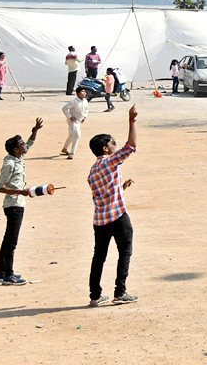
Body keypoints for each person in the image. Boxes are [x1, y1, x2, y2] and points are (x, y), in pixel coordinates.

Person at [87, 105, 141, 306]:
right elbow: (131, 146)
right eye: (112, 144)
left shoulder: (93, 171)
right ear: (105, 149)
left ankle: (95, 295)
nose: (114, 146)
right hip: (118, 216)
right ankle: (120, 292)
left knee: (99, 257)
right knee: (125, 252)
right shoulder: (109, 162)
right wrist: (132, 120)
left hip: (100, 220)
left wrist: (121, 187)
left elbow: (102, 195)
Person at [0, 118, 43, 286]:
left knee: (8, 239)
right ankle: (8, 275)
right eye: (22, 145)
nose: (25, 146)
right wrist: (19, 191)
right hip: (13, 205)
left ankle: (2, 272)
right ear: (16, 150)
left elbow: (30, 143)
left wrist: (35, 130)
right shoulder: (9, 164)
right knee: (11, 241)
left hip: (17, 203)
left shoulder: (18, 157)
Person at [62, 86, 89, 159]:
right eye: (82, 92)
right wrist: (70, 116)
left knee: (71, 135)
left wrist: (85, 116)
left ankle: (65, 148)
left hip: (79, 121)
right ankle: (72, 153)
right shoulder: (73, 101)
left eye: (85, 92)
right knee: (77, 135)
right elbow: (64, 108)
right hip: (73, 121)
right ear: (78, 94)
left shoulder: (85, 101)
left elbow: (86, 109)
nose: (84, 93)